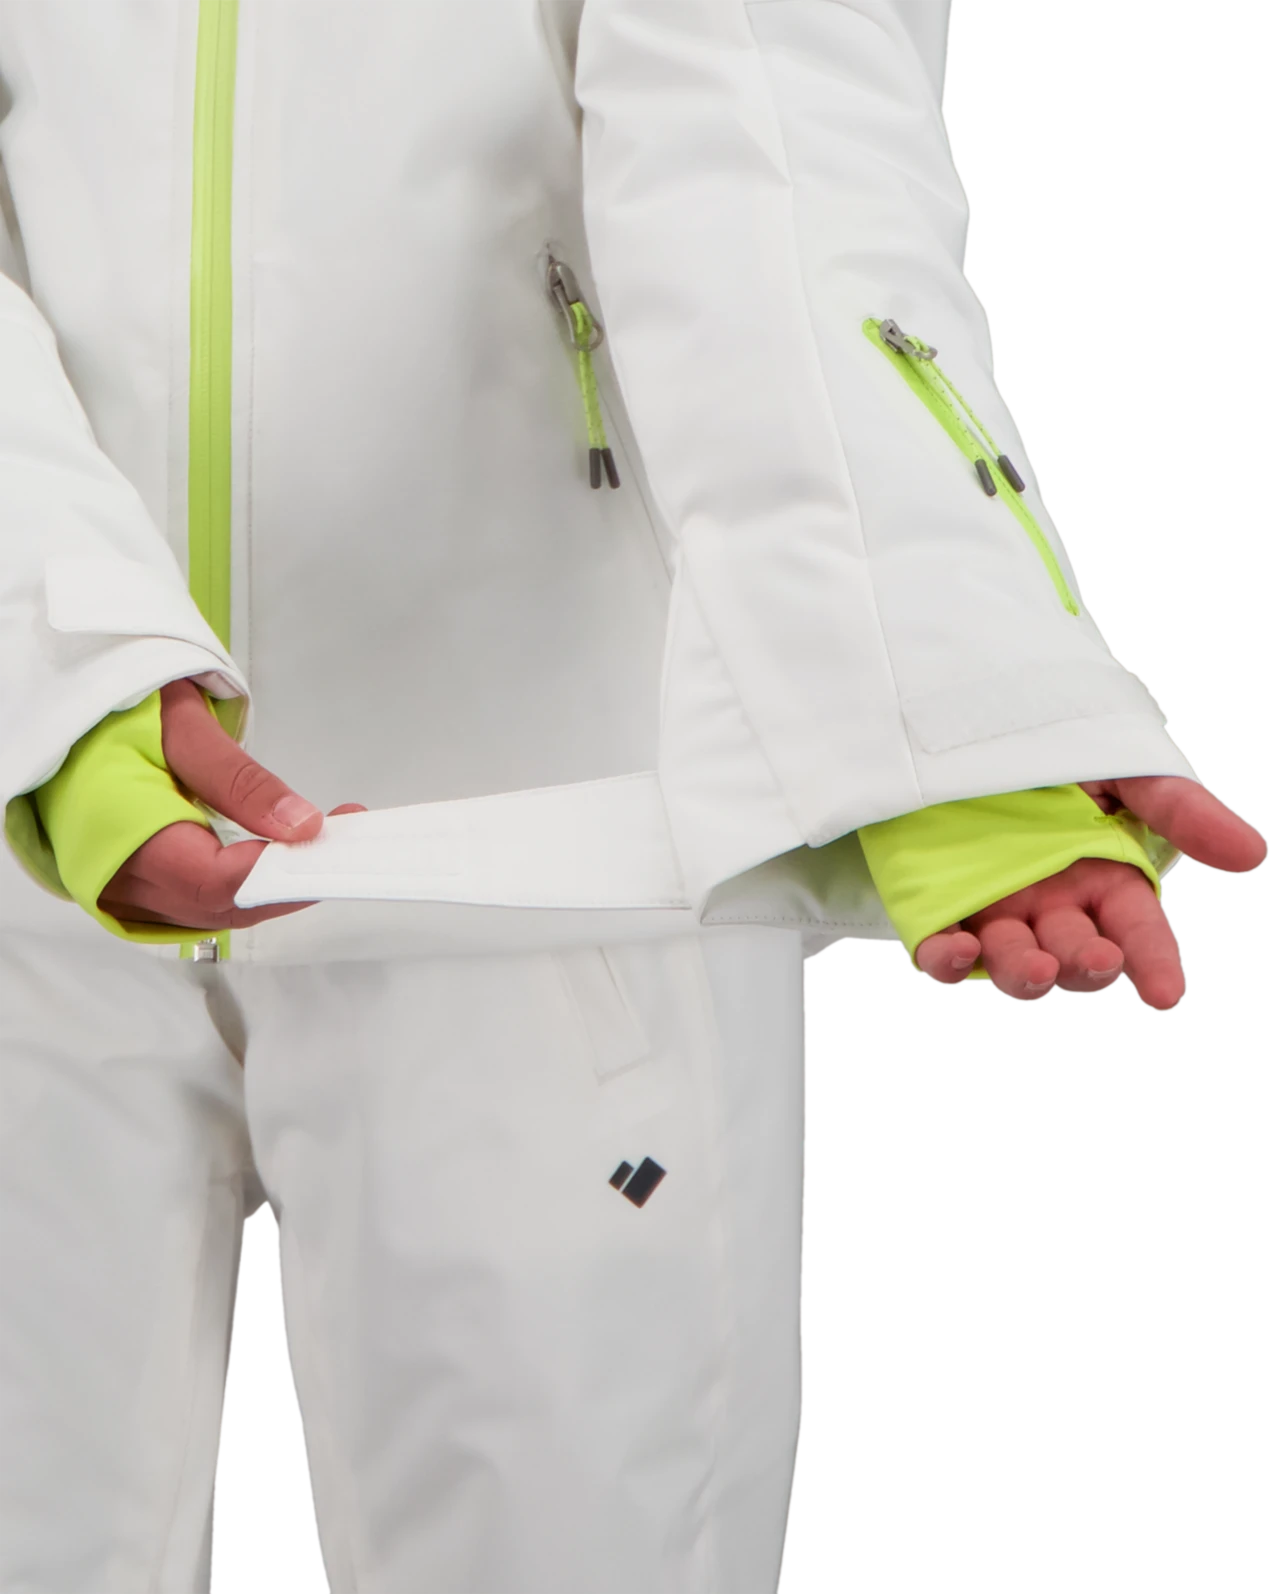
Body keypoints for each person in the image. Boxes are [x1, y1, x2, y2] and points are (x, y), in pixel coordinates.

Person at [0, 2, 1265, 1590]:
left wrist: (928, 696)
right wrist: (50, 664)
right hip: (25, 865)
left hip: (547, 853)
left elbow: (770, 137)